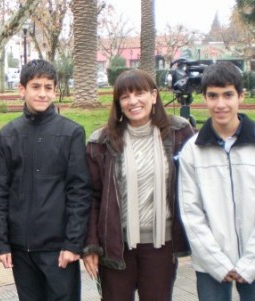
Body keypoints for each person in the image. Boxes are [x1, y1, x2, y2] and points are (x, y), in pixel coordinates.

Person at [82, 69, 195, 300]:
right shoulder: (101, 142)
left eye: (139, 93)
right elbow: (92, 197)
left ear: (153, 96)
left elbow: (192, 185)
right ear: (118, 103)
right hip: (115, 246)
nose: (133, 101)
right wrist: (91, 246)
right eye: (125, 96)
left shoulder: (178, 133)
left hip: (160, 246)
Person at [0, 59, 92, 301]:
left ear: (55, 90)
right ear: (22, 89)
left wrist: (73, 243)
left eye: (48, 87)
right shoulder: (8, 134)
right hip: (21, 249)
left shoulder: (71, 132)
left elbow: (79, 191)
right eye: (36, 87)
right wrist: (1, 243)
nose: (42, 93)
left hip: (58, 249)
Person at [178, 62, 255, 301]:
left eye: (228, 95)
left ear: (241, 96)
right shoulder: (192, 149)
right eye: (213, 96)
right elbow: (190, 211)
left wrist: (250, 262)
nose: (220, 104)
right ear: (204, 98)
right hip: (210, 265)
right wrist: (218, 263)